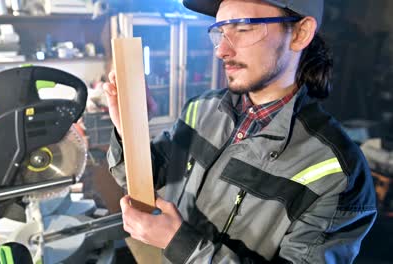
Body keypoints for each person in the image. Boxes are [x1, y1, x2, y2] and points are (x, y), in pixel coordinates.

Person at [102, 0, 377, 262]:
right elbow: (146, 179)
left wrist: (180, 244)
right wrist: (129, 126)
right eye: (220, 31)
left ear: (300, 33)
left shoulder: (337, 173)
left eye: (243, 28)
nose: (221, 49)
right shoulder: (202, 109)